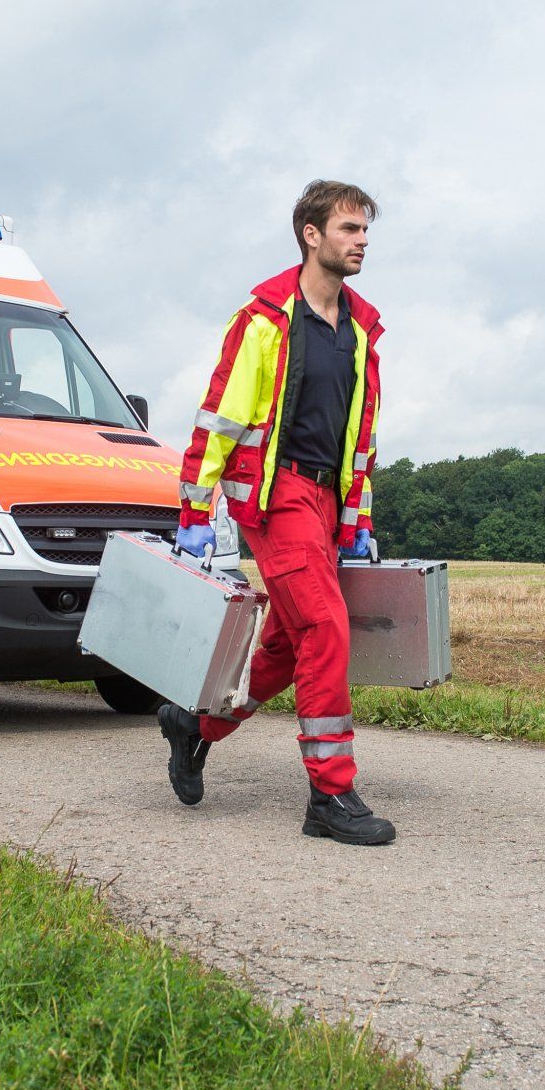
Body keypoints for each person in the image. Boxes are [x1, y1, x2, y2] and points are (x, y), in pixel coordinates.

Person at [161, 180, 394, 845]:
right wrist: (195, 509)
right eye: (349, 228)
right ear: (311, 235)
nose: (362, 241)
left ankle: (194, 725)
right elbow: (220, 419)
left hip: (326, 502)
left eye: (365, 230)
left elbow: (360, 441)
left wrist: (357, 519)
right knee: (325, 626)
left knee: (290, 645)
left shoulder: (360, 330)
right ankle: (331, 794)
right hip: (277, 495)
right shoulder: (264, 320)